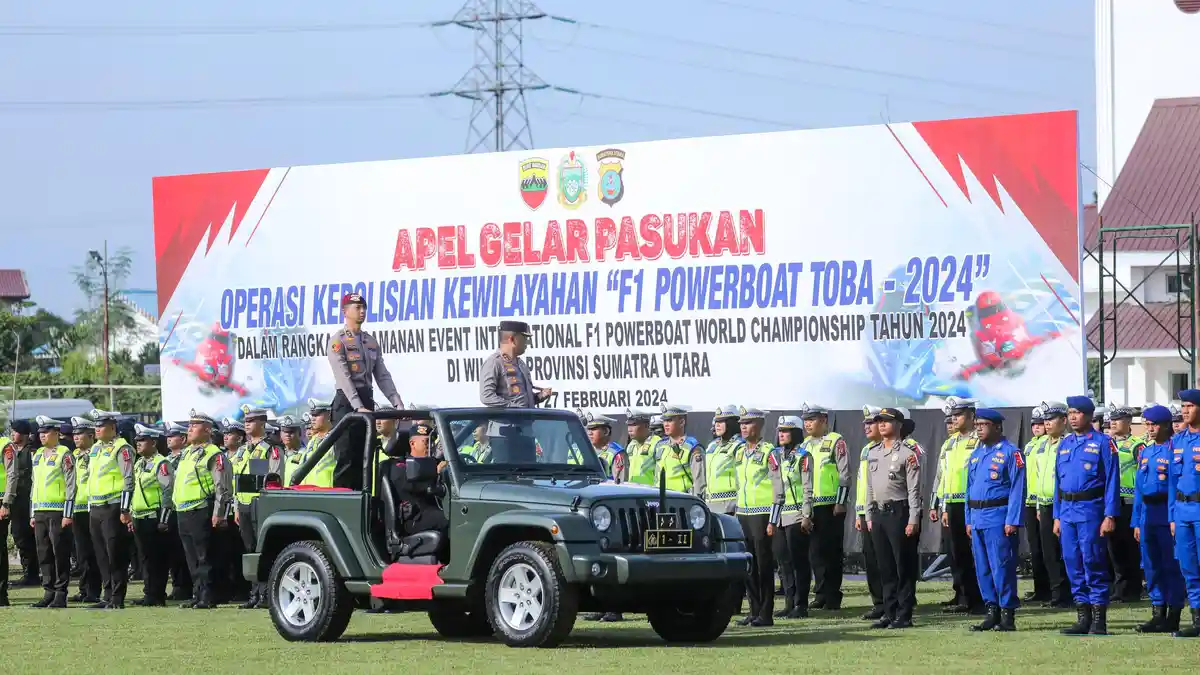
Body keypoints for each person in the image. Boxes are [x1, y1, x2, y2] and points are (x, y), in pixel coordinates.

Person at [1054, 395, 1120, 635]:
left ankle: (1099, 620)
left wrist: (1110, 515)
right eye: (1070, 412)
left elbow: (1113, 480)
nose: (1072, 417)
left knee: (1093, 561)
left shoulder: (1103, 443)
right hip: (1068, 511)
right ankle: (1082, 617)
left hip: (1091, 509)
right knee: (1073, 563)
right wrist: (1057, 515)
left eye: (1078, 412)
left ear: (1090, 416)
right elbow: (1058, 482)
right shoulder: (1065, 443)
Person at [328, 292, 406, 491]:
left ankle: (365, 505)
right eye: (357, 308)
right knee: (346, 459)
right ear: (345, 312)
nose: (362, 312)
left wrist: (396, 402)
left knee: (365, 459)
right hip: (346, 403)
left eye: (364, 308)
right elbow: (344, 378)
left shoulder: (370, 341)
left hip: (367, 400)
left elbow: (382, 375)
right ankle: (344, 505)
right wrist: (357, 406)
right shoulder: (338, 341)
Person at [964, 408, 1026, 632]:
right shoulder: (976, 454)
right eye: (977, 424)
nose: (978, 428)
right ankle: (991, 612)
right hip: (978, 517)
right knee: (983, 568)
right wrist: (968, 519)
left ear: (997, 427)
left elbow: (1018, 489)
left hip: (998, 516)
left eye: (984, 424)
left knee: (1002, 566)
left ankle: (1007, 615)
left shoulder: (1011, 453)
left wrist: (1012, 519)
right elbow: (968, 489)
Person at [864, 407, 922, 629]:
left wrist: (913, 518)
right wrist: (869, 514)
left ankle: (904, 613)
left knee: (903, 565)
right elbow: (870, 487)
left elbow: (914, 489)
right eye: (879, 421)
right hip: (879, 513)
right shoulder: (873, 452)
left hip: (900, 512)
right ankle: (889, 612)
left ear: (898, 425)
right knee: (885, 567)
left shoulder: (908, 453)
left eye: (886, 421)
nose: (881, 425)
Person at [1131, 404, 1184, 633]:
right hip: (1147, 514)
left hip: (1166, 510)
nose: (1149, 429)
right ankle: (1157, 612)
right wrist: (1136, 521)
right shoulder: (1146, 451)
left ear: (1165, 425)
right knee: (1151, 565)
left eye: (1153, 425)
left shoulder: (1174, 449)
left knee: (1171, 565)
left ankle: (1173, 614)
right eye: (1147, 425)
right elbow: (1138, 489)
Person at [174, 410, 233, 609]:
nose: (189, 429)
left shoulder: (214, 454)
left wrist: (219, 512)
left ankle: (208, 596)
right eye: (190, 424)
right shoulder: (186, 453)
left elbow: (222, 487)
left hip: (201, 509)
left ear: (207, 430)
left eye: (195, 425)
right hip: (183, 509)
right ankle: (197, 593)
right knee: (190, 557)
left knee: (204, 556)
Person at [930, 397, 983, 614]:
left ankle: (975, 597)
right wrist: (941, 506)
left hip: (969, 503)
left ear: (971, 416)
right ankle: (960, 594)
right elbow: (941, 476)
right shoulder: (949, 443)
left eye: (959, 414)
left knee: (972, 553)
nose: (954, 418)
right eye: (953, 415)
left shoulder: (978, 440)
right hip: (950, 503)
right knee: (955, 553)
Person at [798, 403, 851, 611]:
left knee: (831, 551)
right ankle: (820, 593)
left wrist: (841, 501)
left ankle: (832, 595)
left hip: (830, 504)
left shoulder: (836, 441)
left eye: (812, 419)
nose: (807, 423)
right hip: (811, 505)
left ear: (824, 420)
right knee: (815, 552)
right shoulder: (805, 444)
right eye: (805, 420)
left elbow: (845, 474)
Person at [734, 406, 783, 627]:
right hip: (743, 513)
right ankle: (753, 610)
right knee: (748, 564)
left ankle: (766, 613)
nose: (744, 427)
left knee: (763, 565)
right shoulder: (739, 451)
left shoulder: (769, 452)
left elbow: (777, 487)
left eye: (749, 423)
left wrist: (773, 519)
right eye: (742, 423)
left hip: (762, 514)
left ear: (760, 425)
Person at [85, 409, 135, 610]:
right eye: (95, 426)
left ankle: (117, 597)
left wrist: (124, 508)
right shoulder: (96, 448)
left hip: (113, 506)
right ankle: (106, 595)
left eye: (101, 426)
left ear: (112, 428)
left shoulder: (122, 448)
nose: (97, 429)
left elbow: (128, 479)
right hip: (95, 506)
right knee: (101, 554)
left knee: (115, 553)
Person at [232, 408, 280, 609]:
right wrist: (235, 506)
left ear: (262, 423)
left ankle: (267, 594)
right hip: (243, 504)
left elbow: (275, 478)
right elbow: (237, 478)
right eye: (245, 420)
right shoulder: (243, 449)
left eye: (251, 420)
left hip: (260, 504)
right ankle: (254, 594)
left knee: (263, 550)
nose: (246, 424)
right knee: (249, 550)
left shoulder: (270, 448)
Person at [27, 416, 76, 608]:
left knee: (60, 553)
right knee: (44, 553)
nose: (41, 436)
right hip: (40, 510)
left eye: (46, 432)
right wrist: (32, 512)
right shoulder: (38, 454)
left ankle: (60, 592)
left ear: (56, 433)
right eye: (40, 432)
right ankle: (48, 590)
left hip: (57, 511)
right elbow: (34, 484)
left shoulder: (65, 454)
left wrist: (68, 513)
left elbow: (71, 484)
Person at [1032, 401, 1073, 608]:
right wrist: (1039, 505)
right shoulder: (1041, 444)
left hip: (1065, 504)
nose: (1047, 424)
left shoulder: (1069, 442)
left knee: (1067, 551)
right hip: (1045, 504)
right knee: (1049, 552)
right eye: (1045, 420)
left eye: (1051, 419)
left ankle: (1072, 592)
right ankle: (1057, 593)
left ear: (1063, 421)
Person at [775, 415, 814, 619]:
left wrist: (806, 514)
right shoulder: (775, 455)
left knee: (799, 562)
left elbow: (808, 488)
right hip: (780, 515)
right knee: (783, 562)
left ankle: (801, 604)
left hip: (797, 515)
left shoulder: (804, 456)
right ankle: (789, 603)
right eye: (780, 430)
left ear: (796, 433)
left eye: (787, 430)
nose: (782, 434)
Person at [130, 424, 173, 607]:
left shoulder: (161, 463)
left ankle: (157, 594)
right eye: (137, 441)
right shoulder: (139, 463)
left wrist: (163, 519)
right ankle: (149, 593)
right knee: (145, 558)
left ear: (153, 442)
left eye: (142, 440)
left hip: (154, 516)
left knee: (157, 559)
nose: (138, 444)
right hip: (139, 515)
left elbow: (167, 491)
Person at [1169, 389, 1200, 638]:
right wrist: (1171, 516)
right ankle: (1197, 620)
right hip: (1182, 511)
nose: (1185, 411)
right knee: (1188, 567)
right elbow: (1172, 482)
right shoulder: (1178, 441)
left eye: (1190, 406)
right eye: (1183, 406)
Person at [1107, 405, 1145, 602]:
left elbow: (1143, 474)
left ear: (1129, 422)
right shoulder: (1107, 443)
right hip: (1111, 503)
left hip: (1130, 503)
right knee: (1114, 548)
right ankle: (1119, 587)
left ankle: (1133, 589)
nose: (1113, 422)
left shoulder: (1137, 445)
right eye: (1111, 419)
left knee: (1130, 547)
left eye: (1118, 419)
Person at [855, 405, 885, 621]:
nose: (867, 427)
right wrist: (859, 513)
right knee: (871, 559)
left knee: (886, 559)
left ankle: (894, 602)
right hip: (865, 512)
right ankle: (879, 603)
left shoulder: (889, 447)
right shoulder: (866, 450)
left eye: (871, 423)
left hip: (882, 510)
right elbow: (861, 484)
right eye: (865, 423)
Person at [478, 319, 551, 408]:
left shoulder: (521, 364)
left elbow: (521, 400)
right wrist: (513, 409)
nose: (526, 343)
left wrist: (540, 396)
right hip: (506, 421)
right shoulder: (494, 363)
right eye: (524, 338)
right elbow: (486, 396)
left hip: (525, 420)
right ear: (512, 340)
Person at [3, 419, 40, 588]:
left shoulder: (31, 451)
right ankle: (29, 572)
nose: (12, 434)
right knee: (18, 536)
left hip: (25, 498)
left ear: (25, 434)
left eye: (16, 431)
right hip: (14, 499)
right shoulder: (11, 449)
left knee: (24, 536)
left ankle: (31, 574)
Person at [67, 417, 101, 604]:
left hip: (91, 507)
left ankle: (94, 590)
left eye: (80, 434)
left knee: (93, 551)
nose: (76, 437)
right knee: (81, 553)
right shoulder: (74, 455)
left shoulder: (96, 454)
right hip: (77, 509)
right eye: (74, 434)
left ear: (90, 435)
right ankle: (84, 589)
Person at [1021, 407, 1050, 604]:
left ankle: (1054, 588)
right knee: (1036, 549)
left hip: (1044, 502)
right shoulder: (1030, 445)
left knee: (1050, 549)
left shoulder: (1050, 444)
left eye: (1040, 424)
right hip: (1029, 502)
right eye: (1034, 424)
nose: (1037, 427)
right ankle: (1040, 588)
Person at [163, 421, 193, 601]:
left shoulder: (185, 457)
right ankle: (177, 585)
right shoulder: (166, 459)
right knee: (172, 551)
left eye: (172, 436)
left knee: (183, 552)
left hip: (182, 508)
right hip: (170, 508)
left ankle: (185, 586)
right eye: (167, 436)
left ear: (182, 439)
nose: (168, 439)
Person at [655, 405, 705, 496]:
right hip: (661, 499)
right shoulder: (660, 445)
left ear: (682, 422)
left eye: (669, 420)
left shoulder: (692, 447)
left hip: (682, 500)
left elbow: (699, 481)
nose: (666, 424)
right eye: (664, 420)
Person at [705, 406, 744, 516]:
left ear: (731, 423)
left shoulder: (739, 446)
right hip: (709, 505)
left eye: (722, 421)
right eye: (716, 421)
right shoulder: (712, 445)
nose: (717, 424)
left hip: (730, 505)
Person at [580, 412, 626, 481]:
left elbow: (621, 484)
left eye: (594, 429)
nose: (589, 433)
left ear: (606, 431)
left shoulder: (617, 453)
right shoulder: (583, 450)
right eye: (588, 429)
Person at [623, 409, 662, 486]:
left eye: (634, 425)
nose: (630, 429)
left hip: (650, 493)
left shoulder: (657, 444)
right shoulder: (631, 445)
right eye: (629, 425)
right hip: (632, 491)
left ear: (646, 425)